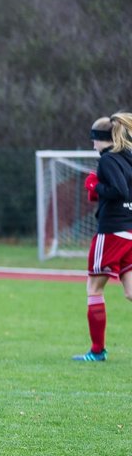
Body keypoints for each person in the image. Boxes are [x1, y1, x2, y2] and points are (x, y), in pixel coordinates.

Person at [74, 112, 132, 361]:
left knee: (94, 288)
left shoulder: (107, 159)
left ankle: (97, 351)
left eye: (93, 140)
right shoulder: (128, 156)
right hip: (129, 230)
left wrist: (93, 186)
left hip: (111, 231)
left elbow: (119, 190)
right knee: (130, 292)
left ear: (101, 138)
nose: (92, 145)